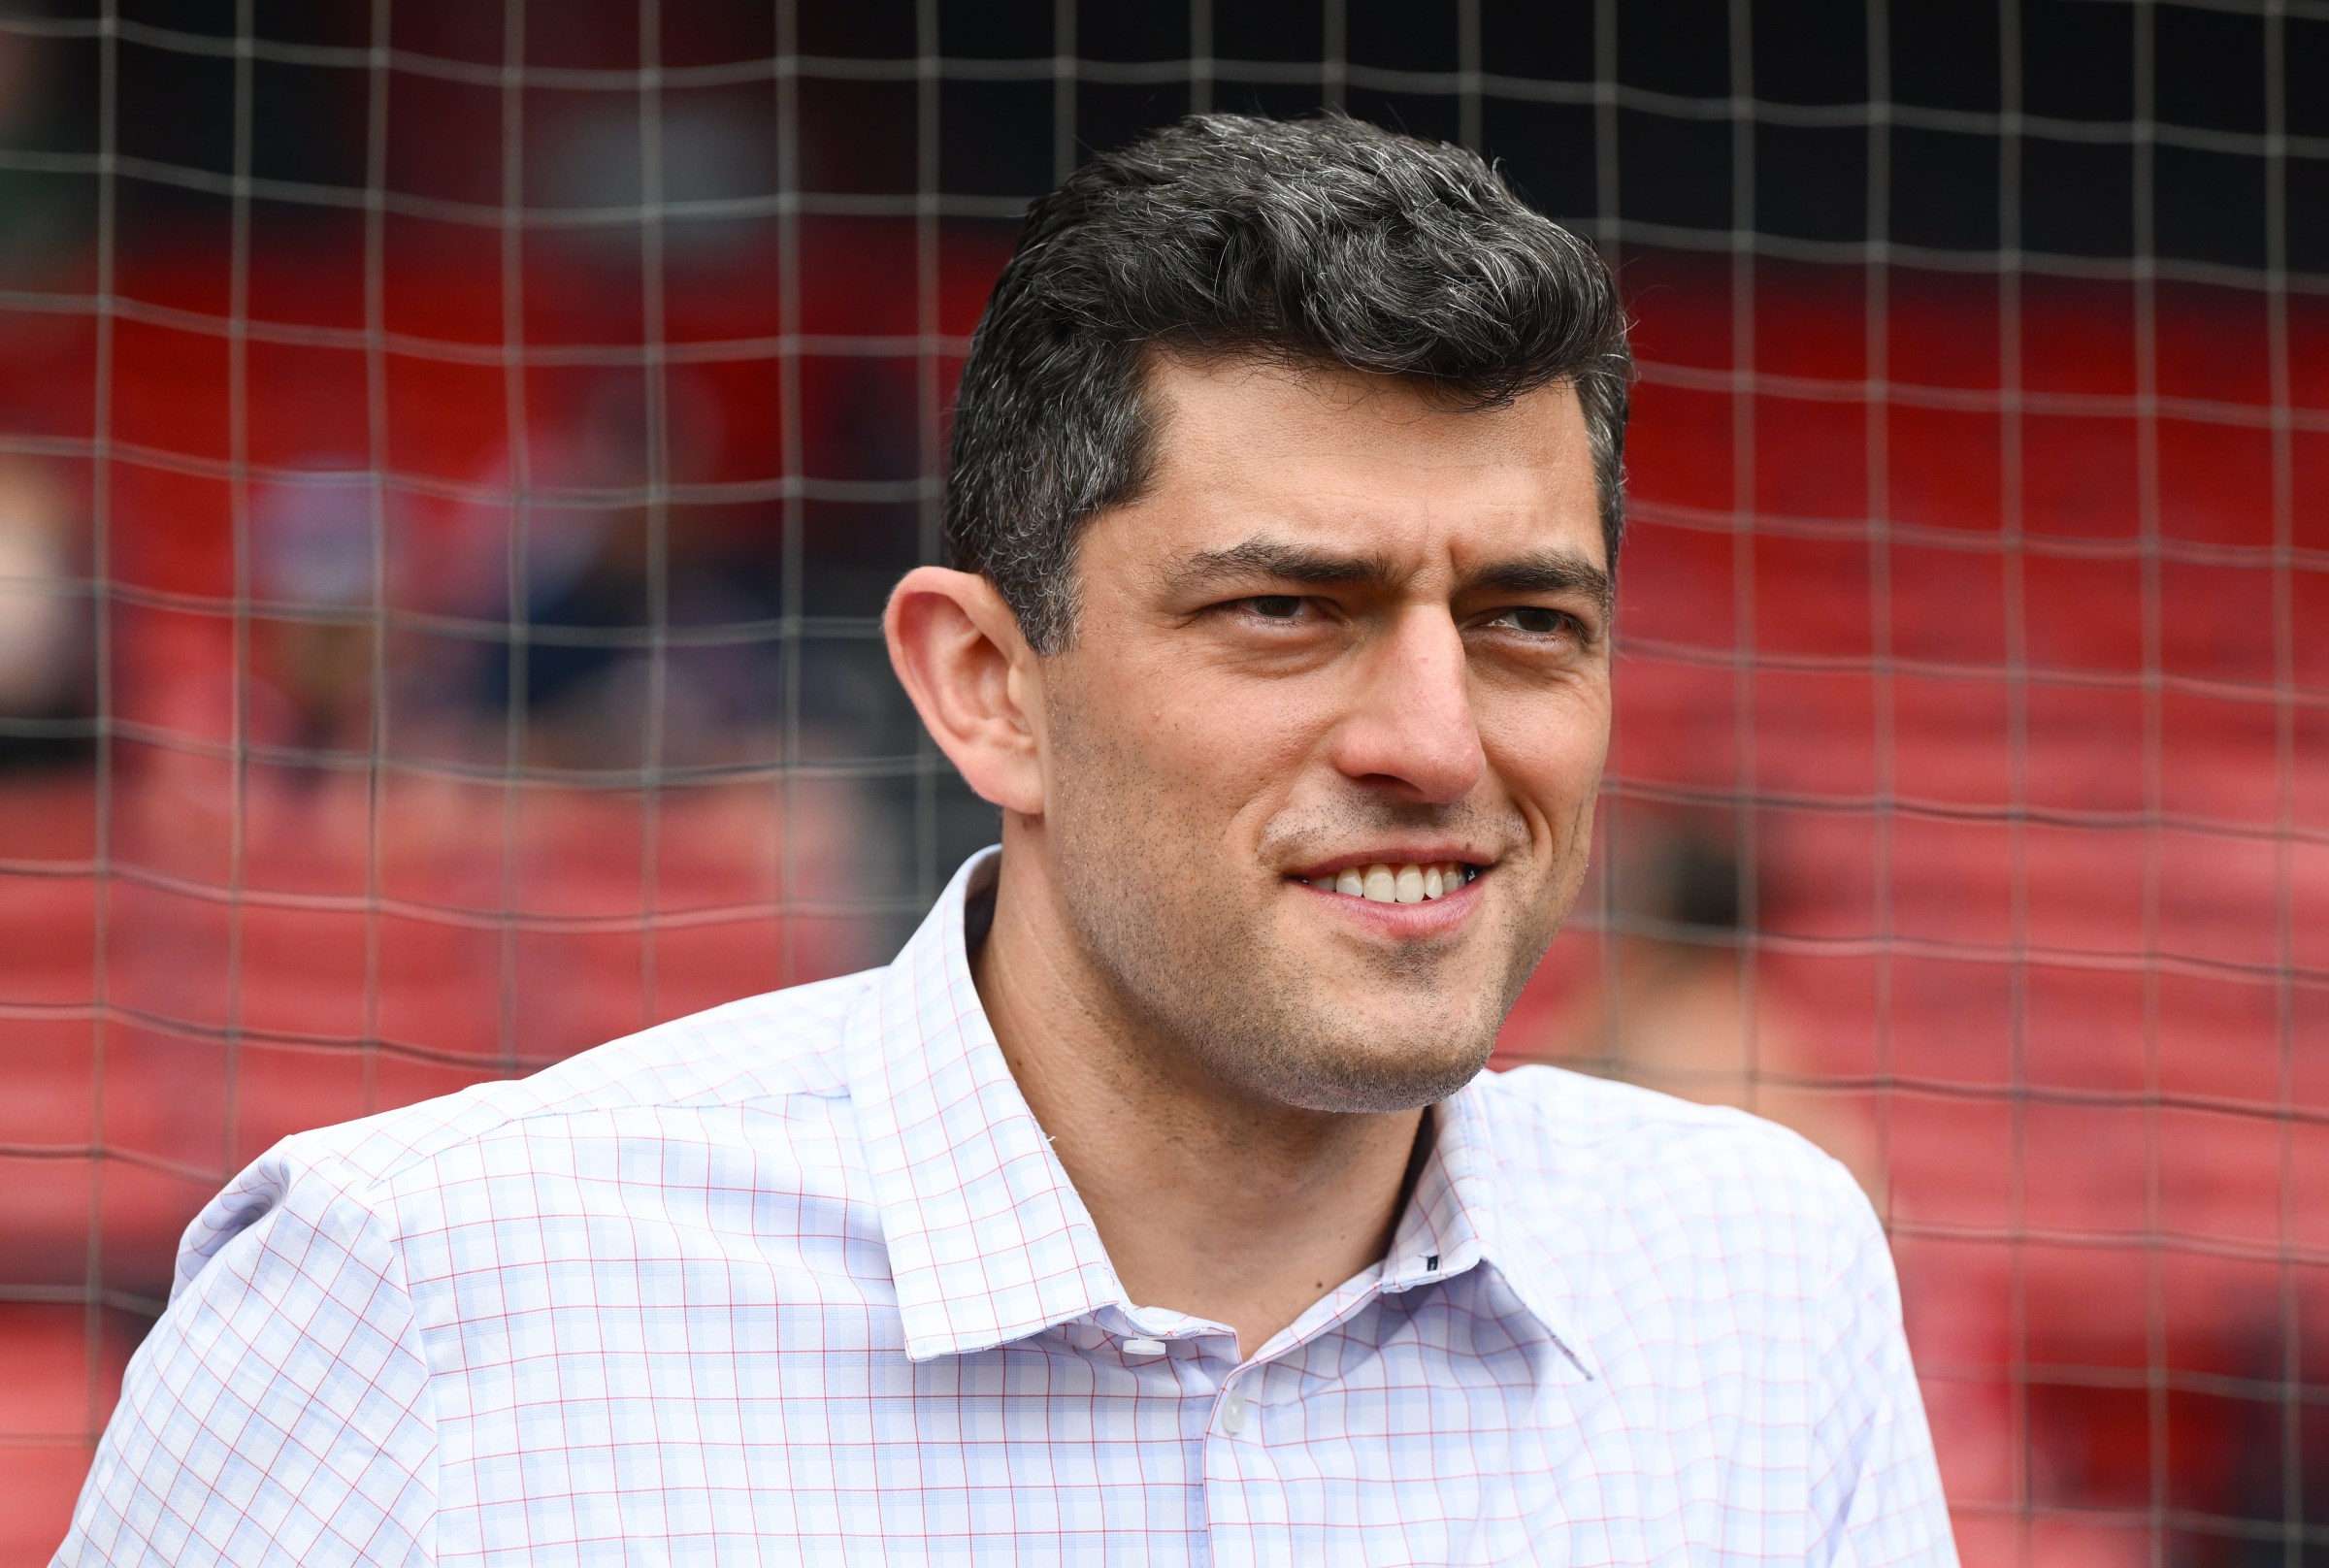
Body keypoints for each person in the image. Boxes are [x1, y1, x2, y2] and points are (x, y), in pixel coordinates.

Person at [57, 114, 1956, 1565]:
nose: (1433, 739)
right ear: (983, 686)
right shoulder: (430, 1298)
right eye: (1284, 611)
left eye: (1530, 621)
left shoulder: (1758, 1275)